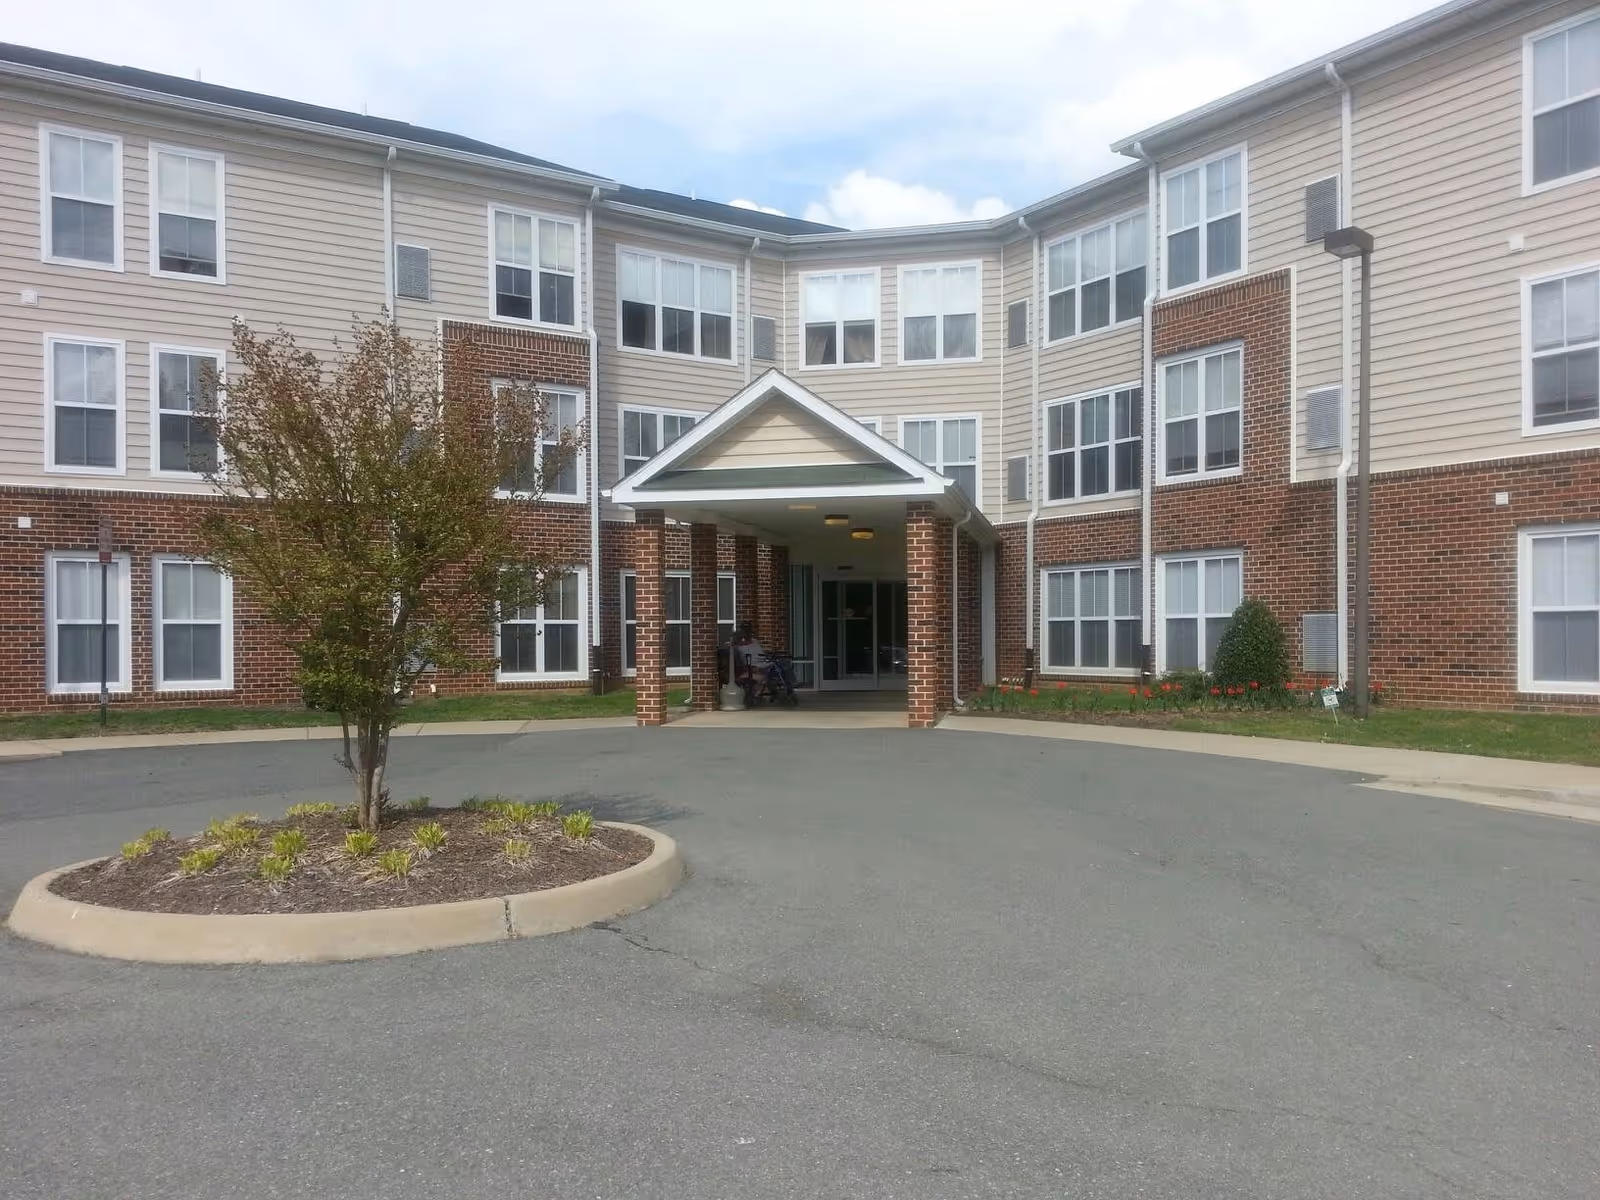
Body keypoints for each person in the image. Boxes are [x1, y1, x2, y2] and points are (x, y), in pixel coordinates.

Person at [733, 622, 795, 702]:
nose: (748, 634)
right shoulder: (738, 646)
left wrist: (768, 655)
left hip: (766, 663)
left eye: (749, 631)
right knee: (778, 671)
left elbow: (761, 653)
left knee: (784, 663)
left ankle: (789, 688)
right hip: (756, 667)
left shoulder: (755, 641)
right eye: (746, 631)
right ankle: (783, 691)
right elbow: (739, 659)